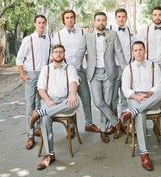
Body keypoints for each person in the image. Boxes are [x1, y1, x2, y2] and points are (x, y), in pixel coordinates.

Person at [75, 11, 127, 143]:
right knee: (98, 102)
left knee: (108, 102)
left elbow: (119, 53)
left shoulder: (112, 34)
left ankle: (103, 130)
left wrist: (126, 70)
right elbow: (80, 53)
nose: (101, 22)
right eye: (98, 20)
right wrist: (76, 70)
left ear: (106, 21)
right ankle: (116, 122)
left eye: (103, 20)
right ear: (94, 21)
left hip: (109, 72)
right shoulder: (87, 36)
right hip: (94, 74)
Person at [29, 44, 80, 170]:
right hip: (49, 100)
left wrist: (73, 95)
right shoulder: (46, 69)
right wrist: (47, 100)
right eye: (56, 52)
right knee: (46, 118)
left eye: (61, 52)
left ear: (64, 54)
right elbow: (41, 89)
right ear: (52, 55)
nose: (58, 54)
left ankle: (40, 112)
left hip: (65, 100)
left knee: (75, 103)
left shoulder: (70, 68)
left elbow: (74, 82)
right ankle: (50, 155)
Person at [52, 9, 100, 133]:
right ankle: (71, 126)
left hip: (80, 70)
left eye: (72, 17)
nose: (70, 20)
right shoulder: (57, 35)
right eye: (67, 17)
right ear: (63, 20)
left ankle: (89, 123)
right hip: (65, 72)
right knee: (68, 99)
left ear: (75, 19)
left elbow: (89, 52)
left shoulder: (83, 32)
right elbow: (54, 55)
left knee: (86, 97)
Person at [121, 41, 161, 171]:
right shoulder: (128, 68)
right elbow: (125, 89)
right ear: (132, 53)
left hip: (150, 96)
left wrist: (150, 93)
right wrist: (136, 97)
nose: (138, 52)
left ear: (145, 51)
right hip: (135, 97)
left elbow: (158, 85)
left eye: (141, 50)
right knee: (140, 114)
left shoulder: (153, 66)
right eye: (136, 50)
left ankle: (132, 112)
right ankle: (144, 154)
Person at [16, 15, 51, 150]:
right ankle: (30, 136)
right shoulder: (28, 39)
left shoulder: (48, 38)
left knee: (40, 103)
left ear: (46, 24)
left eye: (43, 23)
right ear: (35, 24)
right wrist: (23, 75)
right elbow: (19, 59)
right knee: (30, 105)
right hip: (31, 74)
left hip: (44, 74)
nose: (41, 25)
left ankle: (38, 128)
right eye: (39, 23)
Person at [137, 6, 161, 112]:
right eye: (155, 15)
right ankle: (144, 119)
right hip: (148, 65)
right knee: (146, 92)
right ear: (151, 16)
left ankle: (158, 123)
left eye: (160, 15)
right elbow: (139, 49)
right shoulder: (144, 30)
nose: (157, 17)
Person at [109, 8, 137, 134]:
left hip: (128, 69)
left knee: (126, 97)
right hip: (114, 68)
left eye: (123, 16)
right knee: (113, 98)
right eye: (119, 16)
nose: (121, 19)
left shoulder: (132, 33)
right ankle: (115, 124)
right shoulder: (110, 32)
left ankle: (125, 123)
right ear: (115, 18)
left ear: (126, 18)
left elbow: (136, 50)